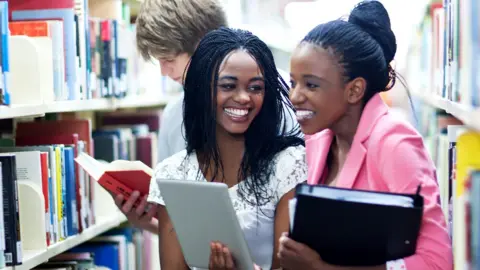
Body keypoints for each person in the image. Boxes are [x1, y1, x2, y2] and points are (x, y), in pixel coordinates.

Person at [278, 1, 452, 270]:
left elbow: (437, 262)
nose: (295, 96)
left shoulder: (395, 144)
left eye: (311, 85)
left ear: (354, 90)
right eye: (293, 83)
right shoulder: (320, 141)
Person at [114, 0, 301, 233]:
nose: (164, 71)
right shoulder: (174, 116)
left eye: (169, 60)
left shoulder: (279, 100)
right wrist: (145, 221)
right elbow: (185, 229)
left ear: (205, 47)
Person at [146, 27, 306, 270]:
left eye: (255, 88)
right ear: (202, 89)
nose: (243, 98)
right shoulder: (172, 174)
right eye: (228, 86)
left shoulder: (288, 165)